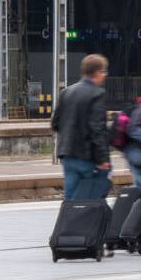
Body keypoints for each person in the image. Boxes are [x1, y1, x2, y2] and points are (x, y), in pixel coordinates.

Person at [51, 54, 111, 200]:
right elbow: (97, 129)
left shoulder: (66, 92)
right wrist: (102, 159)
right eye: (104, 71)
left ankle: (68, 216)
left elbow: (55, 123)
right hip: (87, 157)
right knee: (91, 199)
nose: (105, 75)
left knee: (70, 199)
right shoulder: (97, 93)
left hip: (67, 155)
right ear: (97, 72)